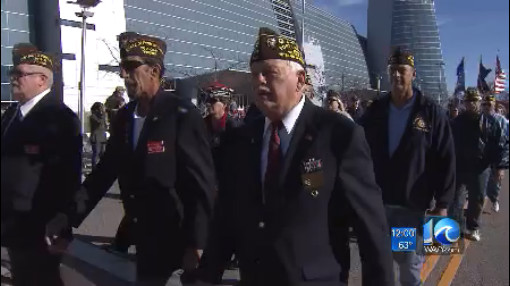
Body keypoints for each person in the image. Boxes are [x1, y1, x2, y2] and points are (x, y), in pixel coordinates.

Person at [196, 27, 394, 286]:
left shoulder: (339, 135)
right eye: (255, 74)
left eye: (269, 73)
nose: (259, 82)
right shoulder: (242, 139)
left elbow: (371, 228)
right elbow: (226, 218)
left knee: (412, 252)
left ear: (300, 80)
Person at [49, 32, 217, 285]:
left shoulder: (180, 114)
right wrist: (68, 216)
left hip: (183, 234)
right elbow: (104, 172)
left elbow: (202, 182)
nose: (124, 75)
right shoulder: (125, 117)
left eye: (130, 68)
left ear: (154, 71)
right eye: (122, 68)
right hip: (148, 238)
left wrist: (199, 241)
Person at [359, 47, 456, 286]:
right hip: (378, 206)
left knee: (407, 265)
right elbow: (357, 150)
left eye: (402, 70)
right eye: (392, 70)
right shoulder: (376, 111)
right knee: (379, 265)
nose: (397, 76)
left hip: (409, 208)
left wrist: (443, 205)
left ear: (413, 74)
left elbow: (446, 159)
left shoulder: (430, 113)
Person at [1, 43, 82, 286]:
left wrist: (64, 223)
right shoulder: (12, 114)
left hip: (41, 226)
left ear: (42, 79)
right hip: (13, 222)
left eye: (20, 74)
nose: (14, 79)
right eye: (12, 74)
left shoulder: (60, 117)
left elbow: (69, 177)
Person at [449, 88, 508, 241]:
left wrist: (500, 166)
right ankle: (456, 229)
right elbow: (448, 143)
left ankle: (472, 227)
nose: (472, 104)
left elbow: (500, 143)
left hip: (481, 167)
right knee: (456, 199)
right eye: (469, 101)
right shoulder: (457, 122)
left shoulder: (490, 122)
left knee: (477, 198)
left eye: (475, 101)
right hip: (460, 166)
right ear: (465, 103)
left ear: (479, 102)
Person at [481, 95, 509, 213]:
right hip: (481, 158)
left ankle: (495, 199)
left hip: (496, 157)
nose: (487, 106)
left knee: (495, 182)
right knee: (480, 184)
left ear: (494, 105)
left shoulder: (501, 120)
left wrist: (502, 166)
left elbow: (506, 143)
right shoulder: (478, 119)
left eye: (489, 104)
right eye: (484, 104)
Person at [89, 102, 108, 168]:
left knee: (103, 154)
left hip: (102, 136)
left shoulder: (103, 116)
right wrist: (103, 115)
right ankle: (94, 168)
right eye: (100, 108)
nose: (102, 109)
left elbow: (105, 125)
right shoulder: (93, 116)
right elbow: (98, 123)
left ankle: (102, 168)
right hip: (96, 137)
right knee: (96, 154)